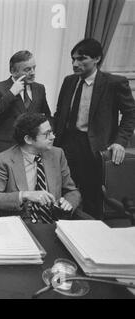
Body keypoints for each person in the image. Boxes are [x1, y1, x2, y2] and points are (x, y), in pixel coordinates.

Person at [53, 38, 135, 218]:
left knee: (92, 198)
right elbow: (59, 114)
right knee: (63, 195)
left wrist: (119, 142)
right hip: (66, 145)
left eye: (82, 59)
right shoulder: (69, 81)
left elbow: (130, 115)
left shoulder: (114, 83)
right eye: (73, 59)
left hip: (95, 149)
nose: (75, 64)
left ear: (97, 58)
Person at [0, 113, 81, 223]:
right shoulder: (3, 160)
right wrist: (25, 195)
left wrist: (68, 202)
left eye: (52, 132)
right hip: (20, 227)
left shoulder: (57, 154)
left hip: (54, 225)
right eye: (47, 134)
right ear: (28, 139)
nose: (53, 137)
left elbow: (72, 191)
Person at [0, 50, 51, 154]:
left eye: (34, 68)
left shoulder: (39, 88)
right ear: (13, 71)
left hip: (32, 148)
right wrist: (11, 93)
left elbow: (47, 115)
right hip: (6, 149)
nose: (33, 73)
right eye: (27, 69)